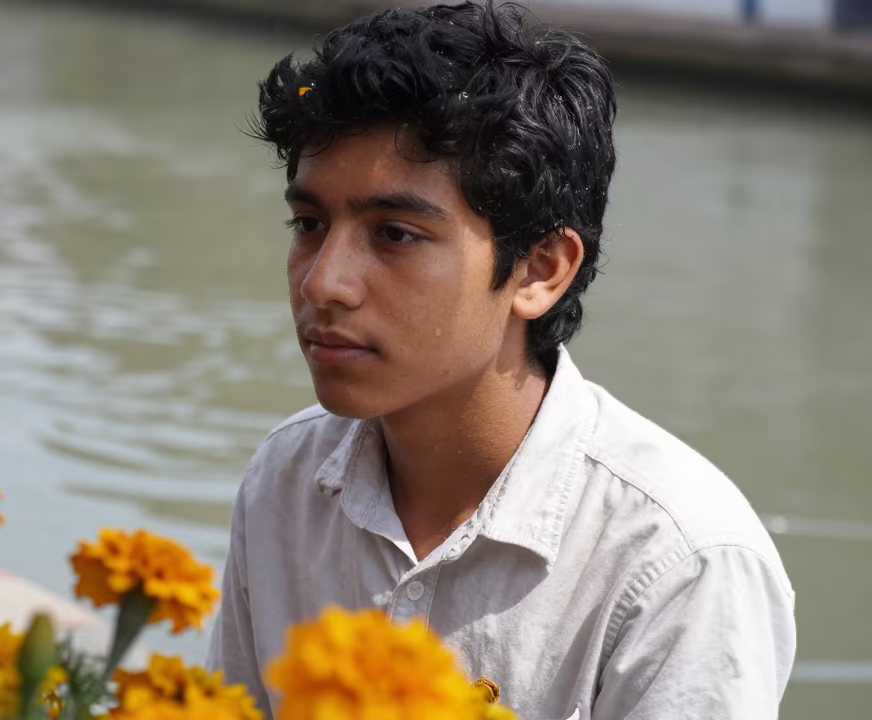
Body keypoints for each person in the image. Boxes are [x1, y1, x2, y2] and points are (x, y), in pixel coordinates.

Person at [205, 3, 796, 719]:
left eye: (395, 234)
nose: (323, 281)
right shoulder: (287, 481)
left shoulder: (681, 563)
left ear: (540, 269)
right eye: (309, 225)